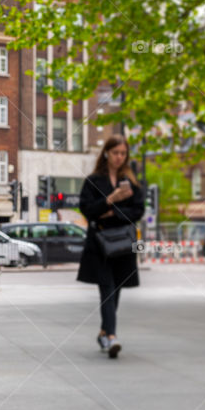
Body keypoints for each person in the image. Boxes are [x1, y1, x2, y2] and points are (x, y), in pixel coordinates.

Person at [76, 135, 144, 359]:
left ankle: (104, 332)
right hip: (100, 245)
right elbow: (87, 209)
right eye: (115, 153)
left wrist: (112, 212)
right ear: (106, 153)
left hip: (123, 244)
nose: (119, 157)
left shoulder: (131, 181)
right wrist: (110, 199)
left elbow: (138, 210)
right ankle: (112, 337)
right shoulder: (94, 180)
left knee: (116, 290)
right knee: (107, 289)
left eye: (123, 153)